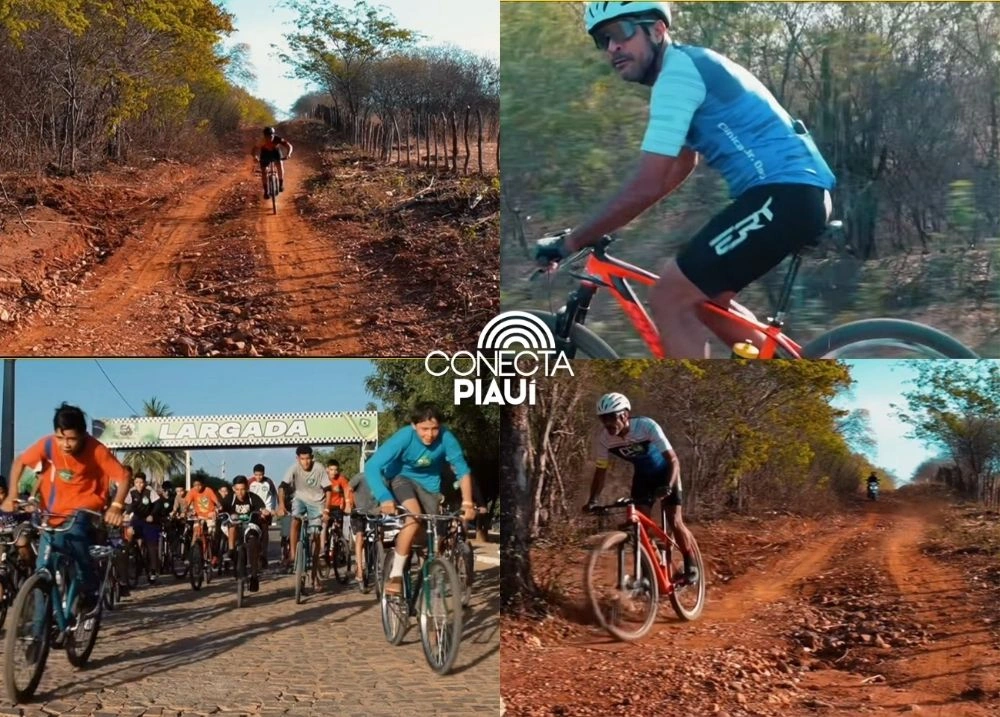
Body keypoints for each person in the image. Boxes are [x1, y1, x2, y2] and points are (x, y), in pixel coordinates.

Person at [535, 2, 836, 359]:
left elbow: (647, 183)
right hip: (793, 194)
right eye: (603, 39)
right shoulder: (687, 67)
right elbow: (676, 169)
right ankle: (783, 374)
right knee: (705, 300)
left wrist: (571, 242)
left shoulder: (677, 77)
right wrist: (601, 225)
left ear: (657, 30)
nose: (613, 47)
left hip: (785, 193)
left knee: (670, 296)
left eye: (620, 33)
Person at [1, 403, 128, 612]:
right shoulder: (48, 444)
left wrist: (116, 506)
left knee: (77, 540)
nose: (65, 444)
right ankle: (39, 627)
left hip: (84, 508)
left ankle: (89, 589)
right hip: (52, 512)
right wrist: (13, 494)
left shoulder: (96, 449)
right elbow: (20, 462)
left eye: (71, 439)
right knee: (42, 569)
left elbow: (123, 477)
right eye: (60, 438)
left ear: (83, 434)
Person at [584, 392, 698, 584]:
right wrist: (593, 500)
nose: (607, 423)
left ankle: (690, 564)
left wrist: (668, 486)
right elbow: (601, 471)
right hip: (643, 478)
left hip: (666, 473)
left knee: (673, 519)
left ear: (624, 415)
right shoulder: (604, 439)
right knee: (640, 528)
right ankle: (651, 573)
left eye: (611, 417)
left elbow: (673, 460)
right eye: (603, 419)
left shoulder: (646, 426)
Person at [365, 402, 476, 595]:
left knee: (430, 534)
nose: (430, 434)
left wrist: (467, 502)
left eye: (434, 429)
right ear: (414, 425)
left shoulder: (446, 438)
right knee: (414, 516)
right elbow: (372, 466)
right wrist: (384, 497)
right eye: (424, 429)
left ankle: (420, 566)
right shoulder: (404, 437)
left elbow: (462, 470)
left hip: (430, 488)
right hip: (401, 479)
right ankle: (396, 575)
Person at [277, 446, 331, 591]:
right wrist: (281, 505)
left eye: (308, 458)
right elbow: (282, 487)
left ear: (312, 458)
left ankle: (314, 575)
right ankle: (293, 554)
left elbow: (328, 490)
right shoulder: (293, 468)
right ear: (298, 459)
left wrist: (326, 509)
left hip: (317, 502)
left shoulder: (319, 468)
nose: (306, 462)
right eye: (302, 459)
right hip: (300, 499)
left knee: (315, 535)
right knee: (295, 519)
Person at [220, 475, 269, 592]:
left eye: (242, 489)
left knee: (253, 542)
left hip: (250, 525)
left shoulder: (253, 497)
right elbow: (221, 507)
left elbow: (261, 507)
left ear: (247, 488)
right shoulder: (230, 498)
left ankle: (254, 575)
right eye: (237, 489)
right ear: (233, 489)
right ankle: (231, 551)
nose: (240, 492)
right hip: (235, 526)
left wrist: (264, 511)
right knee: (232, 524)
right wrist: (216, 510)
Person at [122, 470, 162, 583]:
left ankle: (153, 570)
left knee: (151, 545)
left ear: (145, 483)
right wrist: (125, 514)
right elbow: (128, 506)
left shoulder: (149, 491)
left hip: (149, 520)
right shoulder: (131, 492)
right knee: (129, 537)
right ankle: (133, 558)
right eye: (137, 482)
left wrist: (152, 515)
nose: (139, 485)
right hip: (136, 520)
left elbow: (157, 504)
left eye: (141, 482)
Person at [349, 470, 379, 585]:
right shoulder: (361, 477)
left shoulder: (382, 478)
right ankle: (360, 570)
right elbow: (348, 488)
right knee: (360, 536)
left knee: (378, 534)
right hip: (359, 512)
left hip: (374, 511)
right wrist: (348, 503)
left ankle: (377, 560)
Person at [182, 475, 221, 566]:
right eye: (195, 485)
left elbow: (216, 501)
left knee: (212, 534)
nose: (197, 487)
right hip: (198, 517)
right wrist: (184, 511)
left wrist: (219, 507)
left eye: (199, 485)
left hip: (210, 516)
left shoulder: (208, 490)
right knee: (195, 534)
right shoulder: (192, 492)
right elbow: (186, 503)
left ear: (203, 484)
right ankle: (192, 556)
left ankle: (214, 555)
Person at [321, 460, 354, 557]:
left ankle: (340, 546)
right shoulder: (323, 478)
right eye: (331, 469)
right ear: (327, 469)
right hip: (325, 506)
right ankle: (324, 545)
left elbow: (347, 489)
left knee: (338, 526)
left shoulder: (341, 479)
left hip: (337, 506)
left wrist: (347, 504)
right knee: (324, 524)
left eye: (336, 470)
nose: (334, 472)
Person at [248, 464, 278, 567]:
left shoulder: (268, 482)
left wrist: (272, 509)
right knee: (252, 532)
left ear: (264, 474)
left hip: (266, 511)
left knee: (264, 532)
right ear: (253, 474)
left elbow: (274, 496)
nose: (258, 477)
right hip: (254, 511)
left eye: (260, 475)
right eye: (256, 475)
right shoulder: (250, 482)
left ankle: (264, 555)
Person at [252, 126, 293, 199]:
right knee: (264, 172)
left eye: (271, 136)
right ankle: (266, 191)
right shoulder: (261, 141)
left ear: (274, 135)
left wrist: (288, 154)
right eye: (267, 137)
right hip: (265, 154)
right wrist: (255, 157)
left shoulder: (278, 139)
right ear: (265, 136)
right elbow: (254, 150)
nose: (269, 138)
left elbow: (289, 146)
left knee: (279, 165)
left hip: (276, 153)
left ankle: (280, 185)